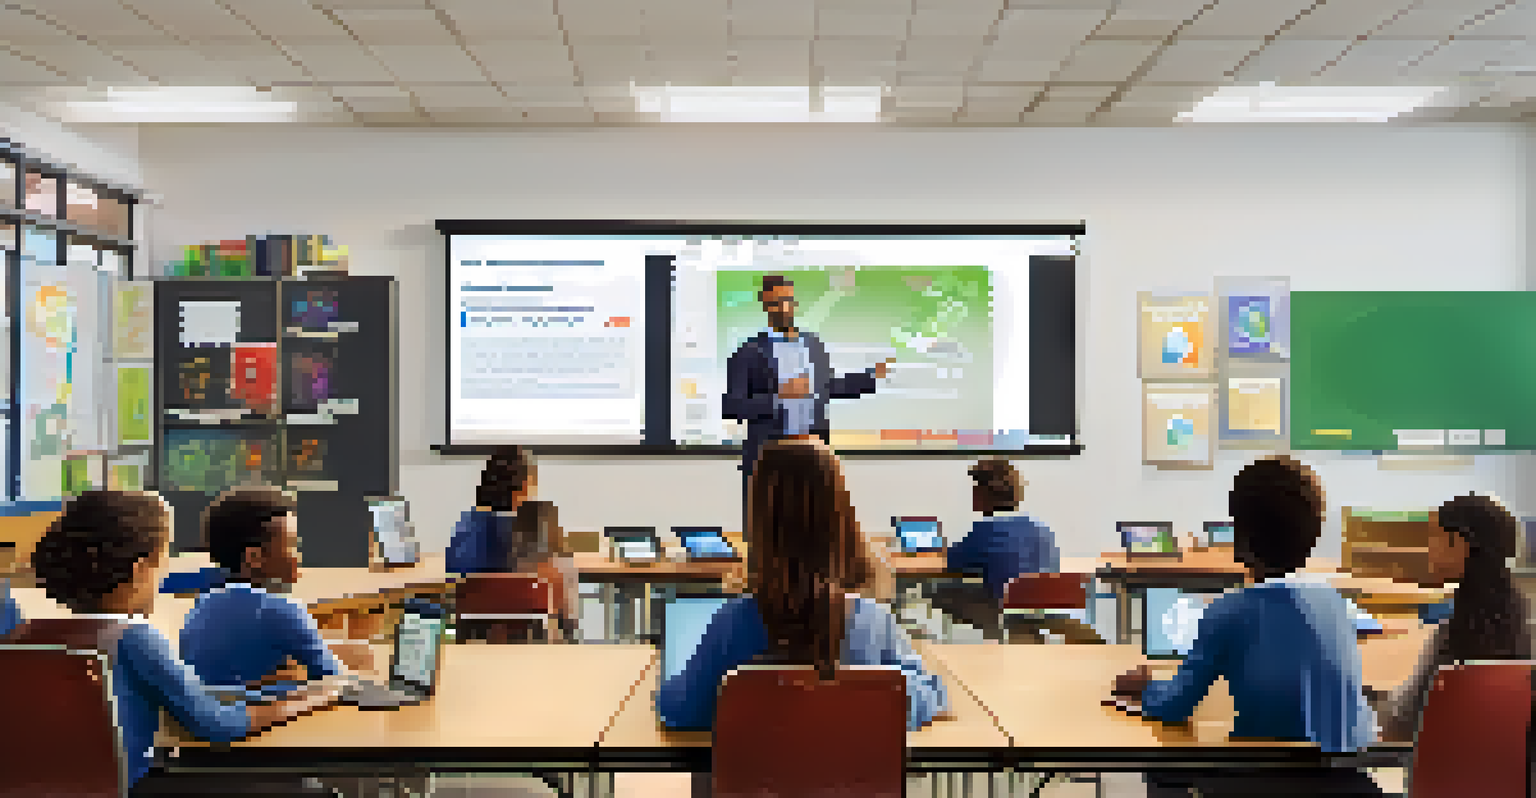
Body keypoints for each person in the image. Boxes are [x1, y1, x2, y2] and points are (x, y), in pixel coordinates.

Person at [11, 490, 342, 794]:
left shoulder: (26, 636)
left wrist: (271, 691)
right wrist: (300, 704)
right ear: (141, 570)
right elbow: (214, 724)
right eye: (162, 562)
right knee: (309, 791)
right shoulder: (132, 638)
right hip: (131, 788)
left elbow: (190, 694)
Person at [1112, 456, 1382, 797]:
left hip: (1262, 782)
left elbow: (1174, 708)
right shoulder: (1336, 603)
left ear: (1240, 536)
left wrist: (1147, 687)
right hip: (1349, 784)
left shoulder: (1229, 610)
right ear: (1310, 537)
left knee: (1164, 763)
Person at [655, 437, 948, 732]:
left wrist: (666, 686)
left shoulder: (732, 623)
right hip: (852, 777)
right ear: (841, 518)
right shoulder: (873, 623)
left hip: (755, 777)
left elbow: (683, 712)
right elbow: (918, 702)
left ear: (760, 521)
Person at [723, 275, 892, 521]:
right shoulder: (749, 351)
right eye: (776, 302)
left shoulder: (813, 345)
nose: (783, 308)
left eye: (788, 301)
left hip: (813, 452)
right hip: (771, 454)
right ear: (764, 305)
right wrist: (779, 396)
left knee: (815, 526)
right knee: (768, 525)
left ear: (795, 303)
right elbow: (732, 406)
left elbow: (827, 387)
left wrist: (870, 377)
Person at [1374, 492, 1532, 743]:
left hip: (1437, 774)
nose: (1427, 549)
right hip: (1509, 775)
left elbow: (1399, 729)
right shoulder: (1523, 621)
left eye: (1432, 537)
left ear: (1457, 543)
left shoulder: (1452, 635)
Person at [179, 486, 371, 690]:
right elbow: (338, 682)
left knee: (359, 652)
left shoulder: (200, 607)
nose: (298, 556)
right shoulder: (281, 610)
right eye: (291, 545)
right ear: (254, 558)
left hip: (219, 713)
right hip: (270, 717)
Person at [928, 458, 1073, 641]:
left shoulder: (985, 531)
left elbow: (952, 564)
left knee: (935, 590)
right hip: (1046, 612)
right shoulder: (1043, 529)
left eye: (975, 488)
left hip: (1005, 611)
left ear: (983, 494)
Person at [445, 446, 578, 637]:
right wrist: (567, 629)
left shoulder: (468, 523)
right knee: (564, 570)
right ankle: (571, 640)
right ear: (525, 485)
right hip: (528, 630)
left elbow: (452, 571)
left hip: (473, 631)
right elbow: (554, 581)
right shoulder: (537, 521)